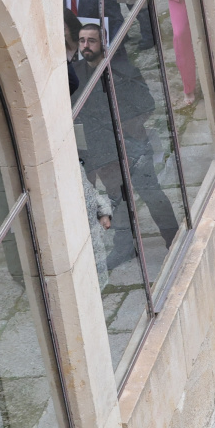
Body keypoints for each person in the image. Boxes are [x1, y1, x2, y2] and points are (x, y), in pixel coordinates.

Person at [69, 22, 180, 270]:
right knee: (115, 199)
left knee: (152, 194)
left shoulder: (124, 72)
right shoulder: (76, 73)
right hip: (101, 153)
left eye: (92, 40)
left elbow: (146, 105)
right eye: (82, 40)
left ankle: (173, 240)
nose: (86, 46)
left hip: (131, 147)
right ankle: (124, 246)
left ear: (103, 43)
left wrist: (126, 134)